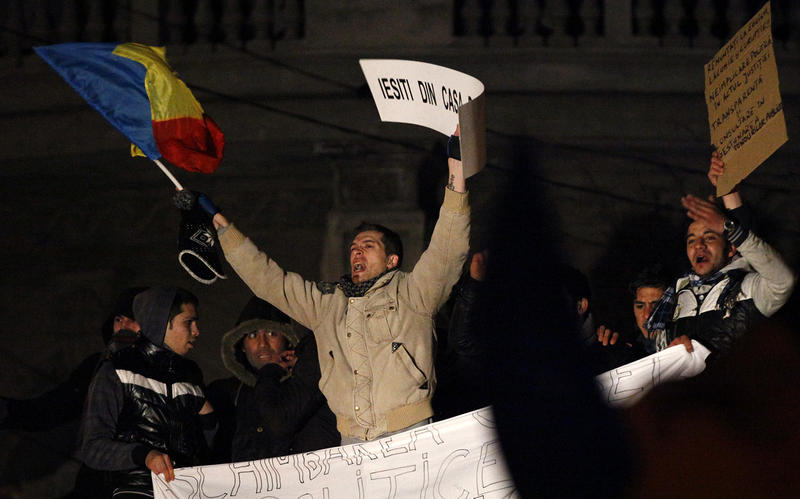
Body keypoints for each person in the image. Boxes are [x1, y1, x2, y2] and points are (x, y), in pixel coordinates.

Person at [202, 129, 469, 442]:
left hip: (407, 433)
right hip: (351, 440)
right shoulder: (326, 304)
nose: (356, 251)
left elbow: (447, 251)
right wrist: (222, 229)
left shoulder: (414, 294)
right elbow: (269, 281)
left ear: (392, 260)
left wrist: (457, 176)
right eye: (353, 247)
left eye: (368, 245)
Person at [645, 152, 796, 358]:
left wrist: (729, 212)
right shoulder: (673, 299)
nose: (698, 245)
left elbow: (783, 281)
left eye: (709, 237)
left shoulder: (747, 289)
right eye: (691, 240)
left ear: (732, 248)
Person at [77, 286, 214, 497]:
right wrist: (144, 455)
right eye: (188, 322)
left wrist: (210, 421)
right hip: (135, 491)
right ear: (162, 324)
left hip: (185, 492)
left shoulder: (191, 377)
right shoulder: (117, 371)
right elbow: (93, 448)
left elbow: (206, 449)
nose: (196, 331)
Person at [207, 296, 339, 462]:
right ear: (241, 345)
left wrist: (272, 372)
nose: (263, 344)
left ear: (287, 339)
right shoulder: (224, 394)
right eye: (253, 335)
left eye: (271, 333)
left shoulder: (310, 383)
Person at [592, 266, 669, 373]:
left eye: (656, 306)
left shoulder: (685, 341)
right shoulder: (624, 347)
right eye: (640, 306)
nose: (647, 315)